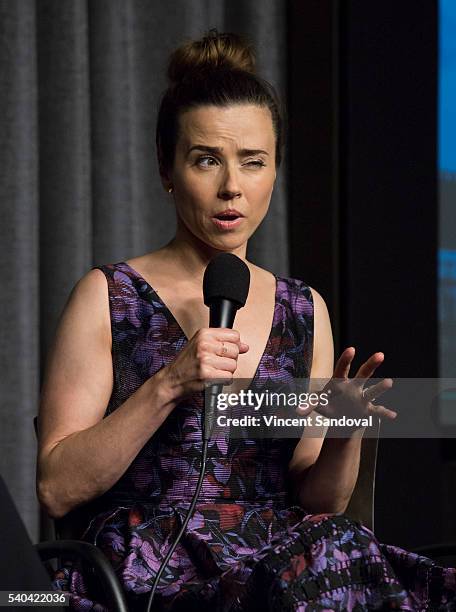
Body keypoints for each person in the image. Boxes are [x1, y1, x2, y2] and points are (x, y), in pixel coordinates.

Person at [36, 29, 456, 612]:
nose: (231, 187)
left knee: (347, 555)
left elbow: (323, 503)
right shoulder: (108, 295)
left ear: (274, 172)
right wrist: (168, 385)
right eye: (206, 160)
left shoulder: (304, 309)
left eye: (253, 162)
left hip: (279, 561)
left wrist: (343, 433)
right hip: (145, 570)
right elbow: (56, 489)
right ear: (167, 168)